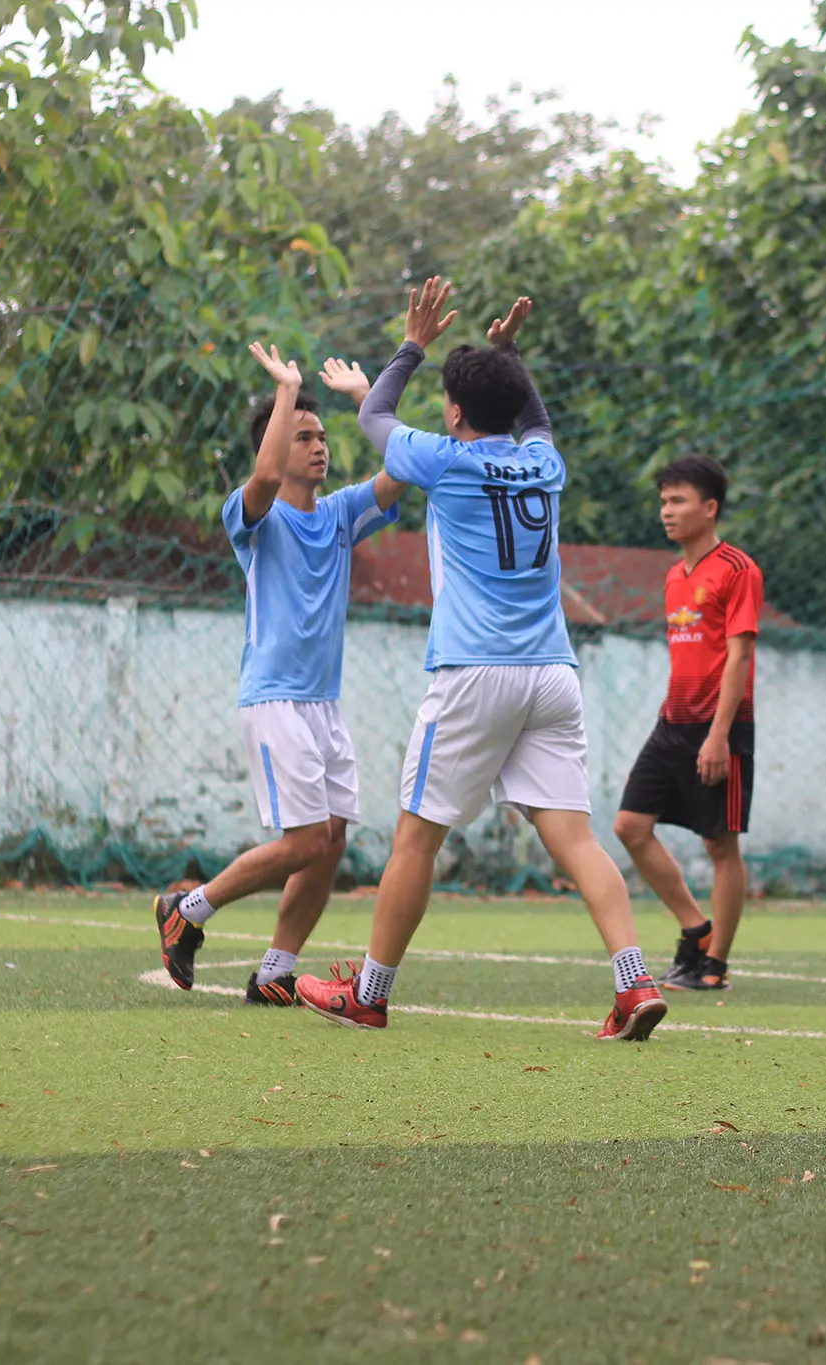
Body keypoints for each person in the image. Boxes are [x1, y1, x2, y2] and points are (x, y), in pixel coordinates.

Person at [294, 278, 667, 1040]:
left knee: (416, 838)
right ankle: (634, 981)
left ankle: (369, 992)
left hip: (474, 673)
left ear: (456, 412)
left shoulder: (444, 460)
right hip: (552, 674)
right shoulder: (543, 463)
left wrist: (412, 345)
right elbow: (535, 418)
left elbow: (373, 414)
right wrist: (508, 354)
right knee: (576, 838)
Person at [152, 345, 402, 1005]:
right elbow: (264, 473)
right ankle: (187, 909)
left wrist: (367, 399)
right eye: (303, 437)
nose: (319, 447)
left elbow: (405, 470)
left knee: (332, 839)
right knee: (305, 841)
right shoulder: (254, 517)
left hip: (324, 704)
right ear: (275, 444)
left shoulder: (342, 513)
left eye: (322, 437)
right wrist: (287, 388)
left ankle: (274, 973)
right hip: (274, 700)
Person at [614, 456, 763, 991]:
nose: (667, 511)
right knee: (630, 826)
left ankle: (714, 965)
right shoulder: (675, 576)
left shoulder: (738, 570)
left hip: (720, 726)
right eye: (663, 501)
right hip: (672, 722)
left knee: (720, 844)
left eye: (678, 501)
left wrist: (719, 736)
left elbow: (739, 656)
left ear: (710, 507)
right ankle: (696, 929)